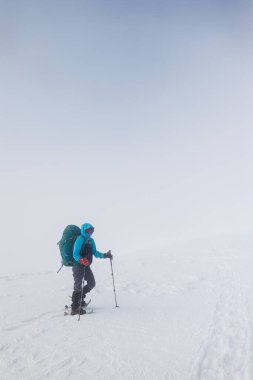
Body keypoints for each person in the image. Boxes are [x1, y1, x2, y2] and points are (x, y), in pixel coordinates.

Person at [71, 223, 112, 315]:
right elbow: (75, 254)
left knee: (92, 283)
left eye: (92, 230)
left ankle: (80, 298)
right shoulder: (80, 239)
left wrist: (105, 255)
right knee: (77, 285)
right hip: (78, 265)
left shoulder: (91, 241)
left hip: (86, 265)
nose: (90, 232)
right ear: (84, 230)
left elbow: (95, 252)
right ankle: (74, 307)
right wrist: (81, 260)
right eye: (88, 230)